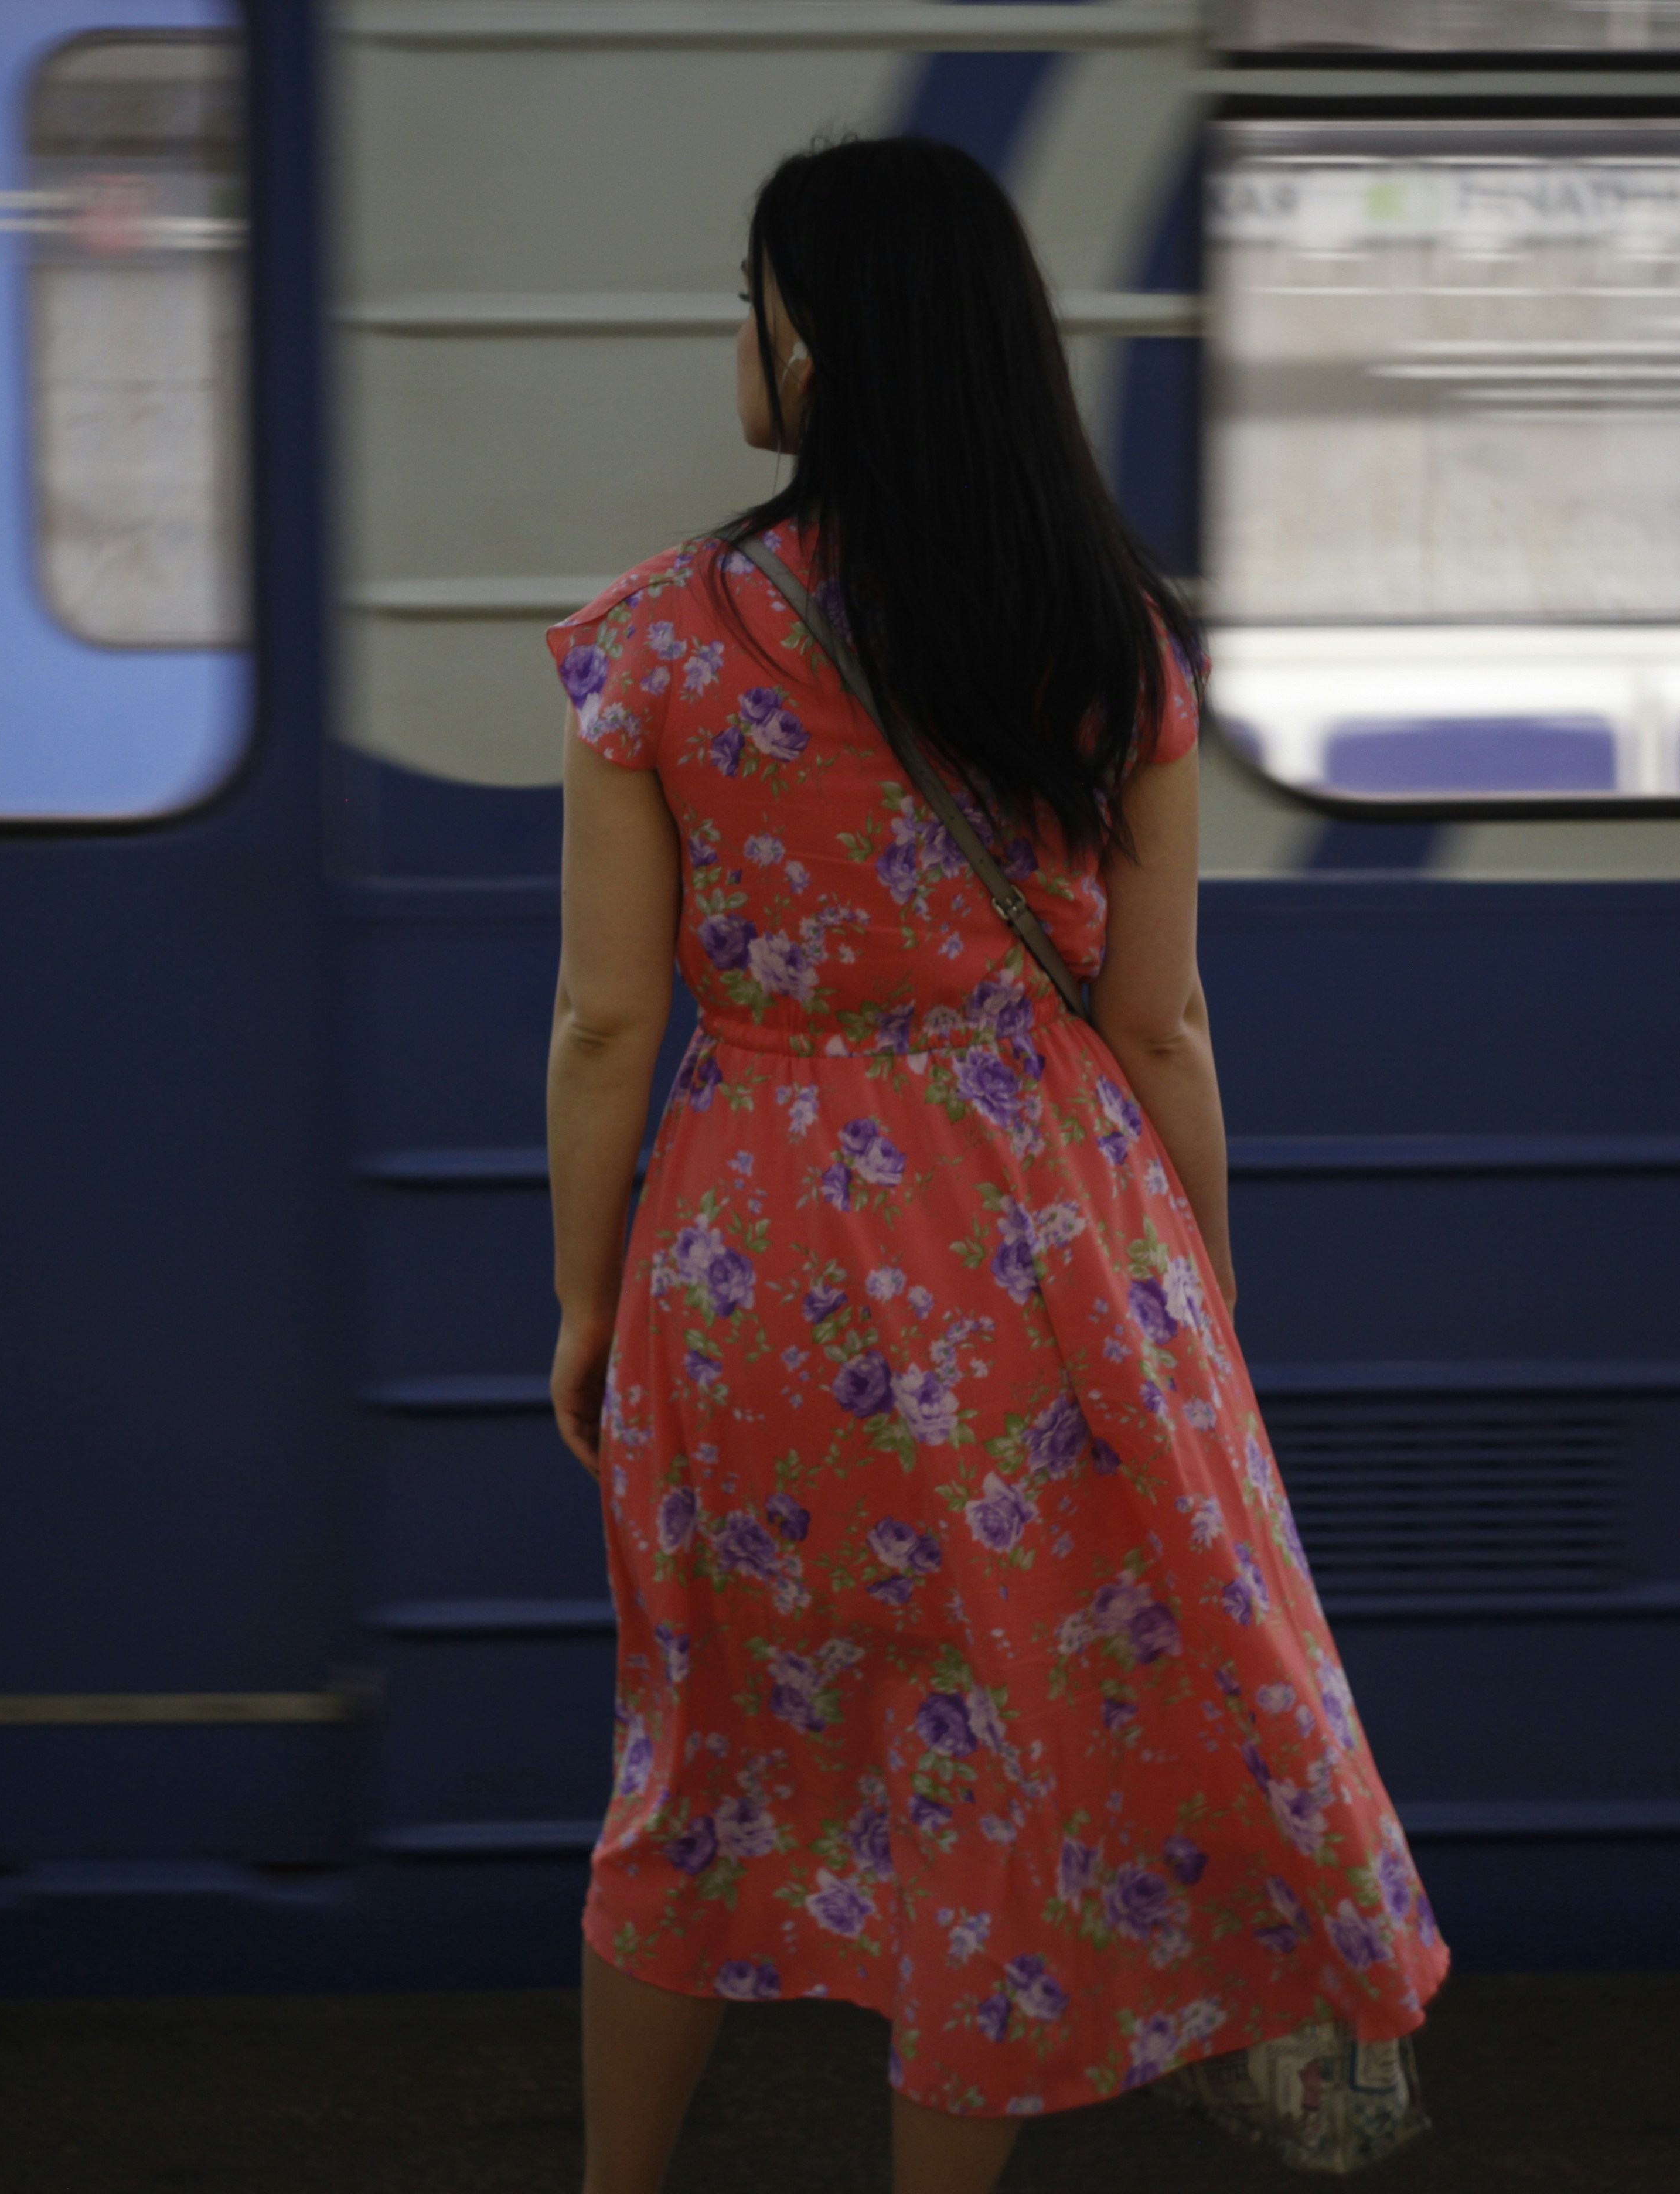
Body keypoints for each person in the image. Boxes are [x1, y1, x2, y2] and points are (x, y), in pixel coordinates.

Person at [541, 135, 1449, 2194]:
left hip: (746, 1255)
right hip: (1042, 1263)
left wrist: (591, 1299)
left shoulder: (658, 645)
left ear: (828, 340)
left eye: (752, 299)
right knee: (983, 1782)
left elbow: (605, 1026)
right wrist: (1193, 1305)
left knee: (692, 1767)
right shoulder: (1104, 637)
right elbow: (1160, 1025)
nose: (736, 338)